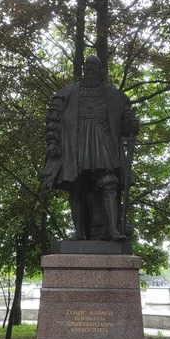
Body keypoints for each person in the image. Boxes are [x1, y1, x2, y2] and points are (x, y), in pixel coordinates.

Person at [44, 55, 139, 241]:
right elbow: (53, 122)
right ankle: (79, 233)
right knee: (76, 187)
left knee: (108, 182)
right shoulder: (66, 93)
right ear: (83, 68)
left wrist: (132, 125)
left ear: (100, 69)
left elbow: (126, 125)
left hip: (102, 142)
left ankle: (112, 230)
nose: (90, 68)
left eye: (94, 65)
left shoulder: (115, 96)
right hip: (75, 144)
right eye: (87, 65)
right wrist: (52, 143)